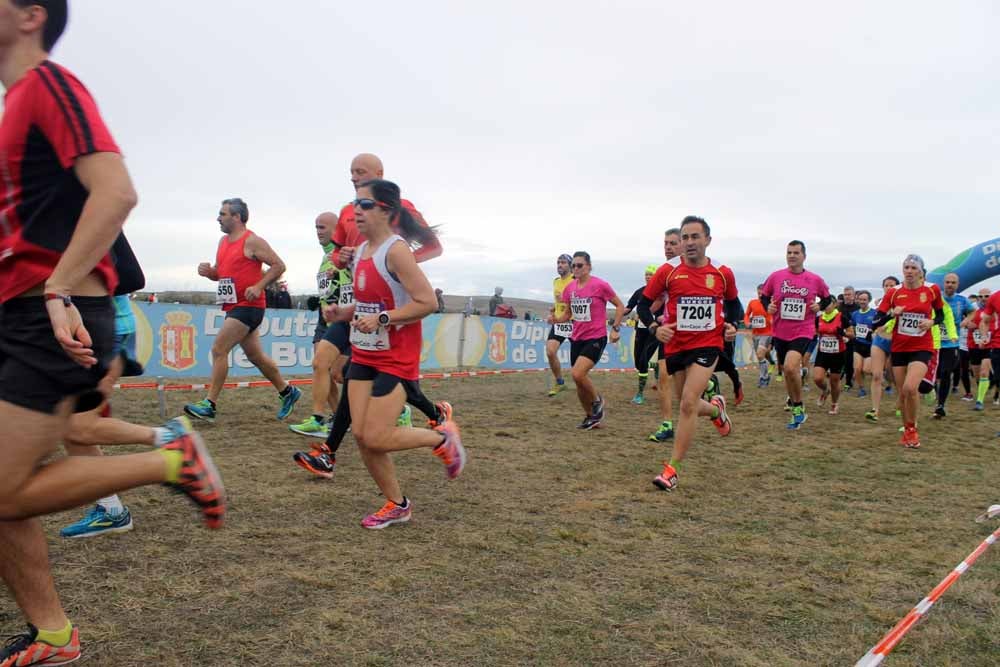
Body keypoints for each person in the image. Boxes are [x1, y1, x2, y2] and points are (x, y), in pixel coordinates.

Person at [0, 5, 225, 663]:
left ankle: (172, 458)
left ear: (30, 15)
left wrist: (58, 286)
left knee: (6, 486)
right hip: (23, 312)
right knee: (11, 485)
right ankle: (53, 633)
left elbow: (117, 190)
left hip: (52, 317)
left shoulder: (50, 85)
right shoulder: (16, 102)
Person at [292, 155, 448, 479]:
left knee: (387, 379)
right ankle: (329, 450)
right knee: (337, 367)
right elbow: (335, 255)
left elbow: (433, 247)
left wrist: (398, 264)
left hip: (391, 313)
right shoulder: (349, 210)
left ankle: (434, 420)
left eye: (360, 171)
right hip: (357, 306)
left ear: (379, 174)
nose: (353, 176)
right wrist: (344, 257)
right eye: (350, 171)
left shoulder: (397, 206)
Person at [340, 179, 465, 528]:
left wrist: (382, 319)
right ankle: (398, 504)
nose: (356, 211)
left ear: (386, 210)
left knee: (377, 435)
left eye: (364, 204)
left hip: (396, 358)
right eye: (354, 204)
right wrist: (345, 312)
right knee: (363, 436)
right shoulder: (362, 252)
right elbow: (372, 302)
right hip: (364, 354)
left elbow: (427, 302)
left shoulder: (396, 251)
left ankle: (443, 438)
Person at [59, 294, 194, 538]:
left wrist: (59, 296)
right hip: (88, 328)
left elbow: (129, 274)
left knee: (76, 427)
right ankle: (112, 509)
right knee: (73, 429)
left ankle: (171, 444)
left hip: (93, 329)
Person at [637, 216, 738, 492]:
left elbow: (734, 305)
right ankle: (717, 410)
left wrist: (733, 325)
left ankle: (672, 470)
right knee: (687, 403)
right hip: (677, 344)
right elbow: (644, 306)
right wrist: (655, 327)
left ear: (707, 240)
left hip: (708, 343)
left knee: (687, 403)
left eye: (696, 237)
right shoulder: (667, 271)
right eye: (686, 238)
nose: (690, 242)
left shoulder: (722, 272)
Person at [184, 198, 302, 422]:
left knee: (219, 349)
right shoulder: (223, 242)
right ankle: (288, 391)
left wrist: (259, 286)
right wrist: (208, 272)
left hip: (249, 306)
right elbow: (222, 274)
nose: (218, 218)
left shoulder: (253, 241)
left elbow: (279, 265)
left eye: (223, 214)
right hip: (232, 305)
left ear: (237, 217)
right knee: (255, 356)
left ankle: (210, 404)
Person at [871, 255, 945, 448]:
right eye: (906, 267)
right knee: (903, 394)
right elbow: (875, 321)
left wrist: (931, 322)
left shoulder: (932, 289)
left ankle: (912, 430)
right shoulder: (894, 292)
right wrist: (891, 314)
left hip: (922, 346)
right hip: (900, 347)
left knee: (910, 388)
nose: (909, 271)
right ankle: (907, 428)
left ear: (921, 271)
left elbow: (941, 316)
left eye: (913, 267)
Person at [761, 240, 831, 430]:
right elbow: (764, 295)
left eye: (796, 253)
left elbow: (827, 298)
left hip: (803, 330)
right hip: (781, 331)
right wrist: (768, 305)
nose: (792, 255)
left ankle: (799, 407)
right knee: (787, 371)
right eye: (789, 252)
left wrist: (820, 306)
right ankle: (793, 403)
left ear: (804, 256)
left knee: (792, 367)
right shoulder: (776, 276)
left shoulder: (814, 279)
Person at [552, 251, 625, 429]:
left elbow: (620, 306)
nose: (575, 268)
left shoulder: (600, 285)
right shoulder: (569, 289)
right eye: (574, 265)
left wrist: (615, 328)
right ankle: (591, 417)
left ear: (589, 266)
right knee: (578, 383)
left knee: (577, 374)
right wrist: (557, 319)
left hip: (596, 336)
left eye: (579, 265)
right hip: (577, 337)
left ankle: (598, 400)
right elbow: (569, 314)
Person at [289, 212, 344, 437]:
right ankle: (327, 418)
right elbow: (329, 288)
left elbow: (349, 282)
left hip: (342, 317)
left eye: (322, 227)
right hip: (324, 319)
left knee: (340, 374)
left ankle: (399, 407)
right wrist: (318, 299)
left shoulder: (343, 253)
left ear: (336, 228)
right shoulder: (325, 257)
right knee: (320, 366)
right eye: (316, 227)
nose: (318, 232)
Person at [647, 228, 682, 442]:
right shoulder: (664, 271)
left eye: (672, 243)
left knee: (685, 388)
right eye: (665, 243)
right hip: (670, 332)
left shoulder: (701, 268)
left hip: (697, 336)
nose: (668, 247)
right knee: (663, 376)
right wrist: (651, 314)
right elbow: (657, 299)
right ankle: (667, 424)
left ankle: (712, 398)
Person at [932, 273, 971, 418]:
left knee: (946, 372)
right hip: (934, 342)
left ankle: (941, 405)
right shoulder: (936, 299)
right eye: (947, 282)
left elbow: (973, 312)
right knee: (934, 374)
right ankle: (934, 395)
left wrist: (966, 321)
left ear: (957, 284)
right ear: (943, 283)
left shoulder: (962, 301)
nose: (950, 285)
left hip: (951, 343)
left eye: (953, 282)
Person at [621, 264, 661, 404]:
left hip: (655, 332)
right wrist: (618, 314)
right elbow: (628, 308)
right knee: (638, 363)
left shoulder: (662, 293)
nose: (648, 277)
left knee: (643, 359)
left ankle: (640, 394)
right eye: (646, 274)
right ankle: (655, 366)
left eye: (651, 274)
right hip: (641, 330)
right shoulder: (640, 292)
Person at [865, 276, 899, 421]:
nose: (889, 288)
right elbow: (875, 323)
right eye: (886, 285)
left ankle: (900, 403)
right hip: (879, 341)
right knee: (876, 375)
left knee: (895, 377)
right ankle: (875, 410)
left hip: (897, 343)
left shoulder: (902, 303)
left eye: (892, 285)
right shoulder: (880, 305)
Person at [813, 299, 853, 415]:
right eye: (824, 304)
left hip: (838, 354)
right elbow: (816, 332)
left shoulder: (841, 318)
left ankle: (834, 404)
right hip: (823, 353)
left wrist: (844, 333)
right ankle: (825, 391)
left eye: (829, 304)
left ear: (835, 304)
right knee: (817, 378)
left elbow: (852, 335)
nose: (826, 306)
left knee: (834, 381)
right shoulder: (819, 319)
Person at [544, 254, 574, 397]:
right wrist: (552, 312)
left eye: (563, 262)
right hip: (559, 322)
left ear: (570, 265)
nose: (560, 265)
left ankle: (582, 383)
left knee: (578, 359)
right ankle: (560, 382)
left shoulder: (575, 280)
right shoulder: (556, 281)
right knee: (550, 351)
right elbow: (558, 303)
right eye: (558, 262)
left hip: (575, 322)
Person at [964, 288, 996, 411]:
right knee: (977, 374)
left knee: (984, 371)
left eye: (986, 296)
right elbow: (964, 322)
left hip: (989, 345)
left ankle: (979, 401)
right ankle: (985, 385)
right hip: (974, 345)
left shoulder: (995, 311)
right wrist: (968, 324)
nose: (983, 298)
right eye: (981, 296)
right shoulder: (973, 310)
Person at [744, 284, 774, 387]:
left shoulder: (770, 304)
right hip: (756, 334)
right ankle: (771, 362)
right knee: (760, 356)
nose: (760, 295)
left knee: (760, 354)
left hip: (767, 333)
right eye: (759, 293)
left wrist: (771, 320)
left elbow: (774, 315)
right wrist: (747, 323)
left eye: (762, 293)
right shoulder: (753, 303)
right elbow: (747, 315)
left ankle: (763, 378)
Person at [851, 290, 876, 398]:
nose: (862, 301)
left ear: (869, 300)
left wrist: (872, 333)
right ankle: (862, 388)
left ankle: (878, 377)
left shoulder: (874, 313)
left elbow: (878, 328)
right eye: (860, 299)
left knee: (866, 369)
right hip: (858, 344)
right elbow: (852, 327)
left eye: (864, 299)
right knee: (857, 369)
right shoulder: (855, 314)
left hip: (870, 346)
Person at [840, 286, 859, 391]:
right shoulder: (839, 308)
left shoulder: (857, 308)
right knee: (841, 359)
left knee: (849, 360)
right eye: (845, 295)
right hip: (841, 336)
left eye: (849, 295)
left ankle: (848, 382)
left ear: (854, 295)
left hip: (853, 338)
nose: (847, 297)